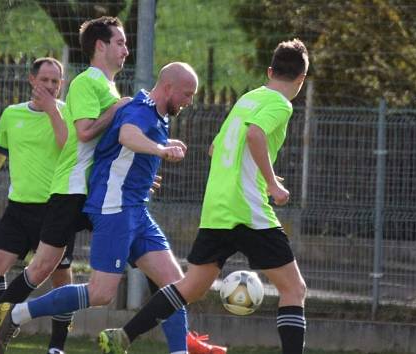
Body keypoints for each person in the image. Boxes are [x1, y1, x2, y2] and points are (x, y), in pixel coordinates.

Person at [97, 38, 310, 354]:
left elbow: (217, 148)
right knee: (295, 289)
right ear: (302, 79)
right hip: (247, 210)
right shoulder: (281, 104)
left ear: (269, 71)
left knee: (190, 288)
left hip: (217, 208)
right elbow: (255, 134)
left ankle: (123, 336)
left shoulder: (248, 99)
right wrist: (271, 183)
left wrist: (259, 173)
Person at [0, 62, 209, 354]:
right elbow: (126, 135)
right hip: (114, 208)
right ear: (168, 88)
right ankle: (17, 314)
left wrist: (165, 142)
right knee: (101, 293)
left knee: (175, 287)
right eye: (187, 94)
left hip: (136, 211)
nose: (189, 101)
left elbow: (123, 145)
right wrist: (161, 150)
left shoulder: (156, 114)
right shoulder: (140, 110)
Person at [0, 57, 74, 354]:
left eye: (55, 81)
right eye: (44, 80)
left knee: (61, 279)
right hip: (19, 208)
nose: (49, 86)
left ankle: (56, 346)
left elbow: (67, 144)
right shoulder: (12, 114)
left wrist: (51, 112)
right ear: (31, 80)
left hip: (56, 209)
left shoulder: (67, 114)